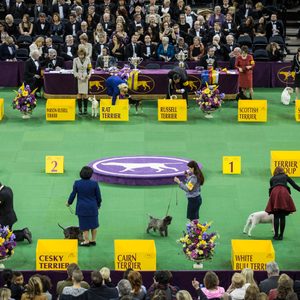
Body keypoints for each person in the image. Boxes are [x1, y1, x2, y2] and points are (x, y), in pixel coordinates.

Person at [67, 166, 102, 246]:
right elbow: (98, 197)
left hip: (82, 208)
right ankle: (93, 240)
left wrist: (69, 203)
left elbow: (73, 195)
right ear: (91, 175)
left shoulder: (77, 183)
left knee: (85, 227)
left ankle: (86, 241)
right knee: (94, 225)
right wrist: (98, 205)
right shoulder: (95, 184)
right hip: (93, 208)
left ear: (80, 174)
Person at [265, 166, 300, 240]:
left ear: (275, 172)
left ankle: (276, 235)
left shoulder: (272, 179)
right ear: (282, 171)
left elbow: (271, 189)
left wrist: (272, 199)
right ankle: (281, 236)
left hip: (274, 194)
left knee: (276, 216)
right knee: (282, 216)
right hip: (284, 193)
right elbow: (294, 186)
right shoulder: (285, 176)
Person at [72, 47, 92, 115]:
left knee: (85, 94)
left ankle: (85, 110)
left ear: (84, 54)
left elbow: (90, 69)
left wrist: (89, 75)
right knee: (79, 94)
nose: (81, 56)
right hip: (78, 77)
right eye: (79, 54)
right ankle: (80, 110)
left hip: (86, 77)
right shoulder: (75, 60)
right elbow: (74, 70)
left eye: (82, 54)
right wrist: (78, 76)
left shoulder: (88, 59)